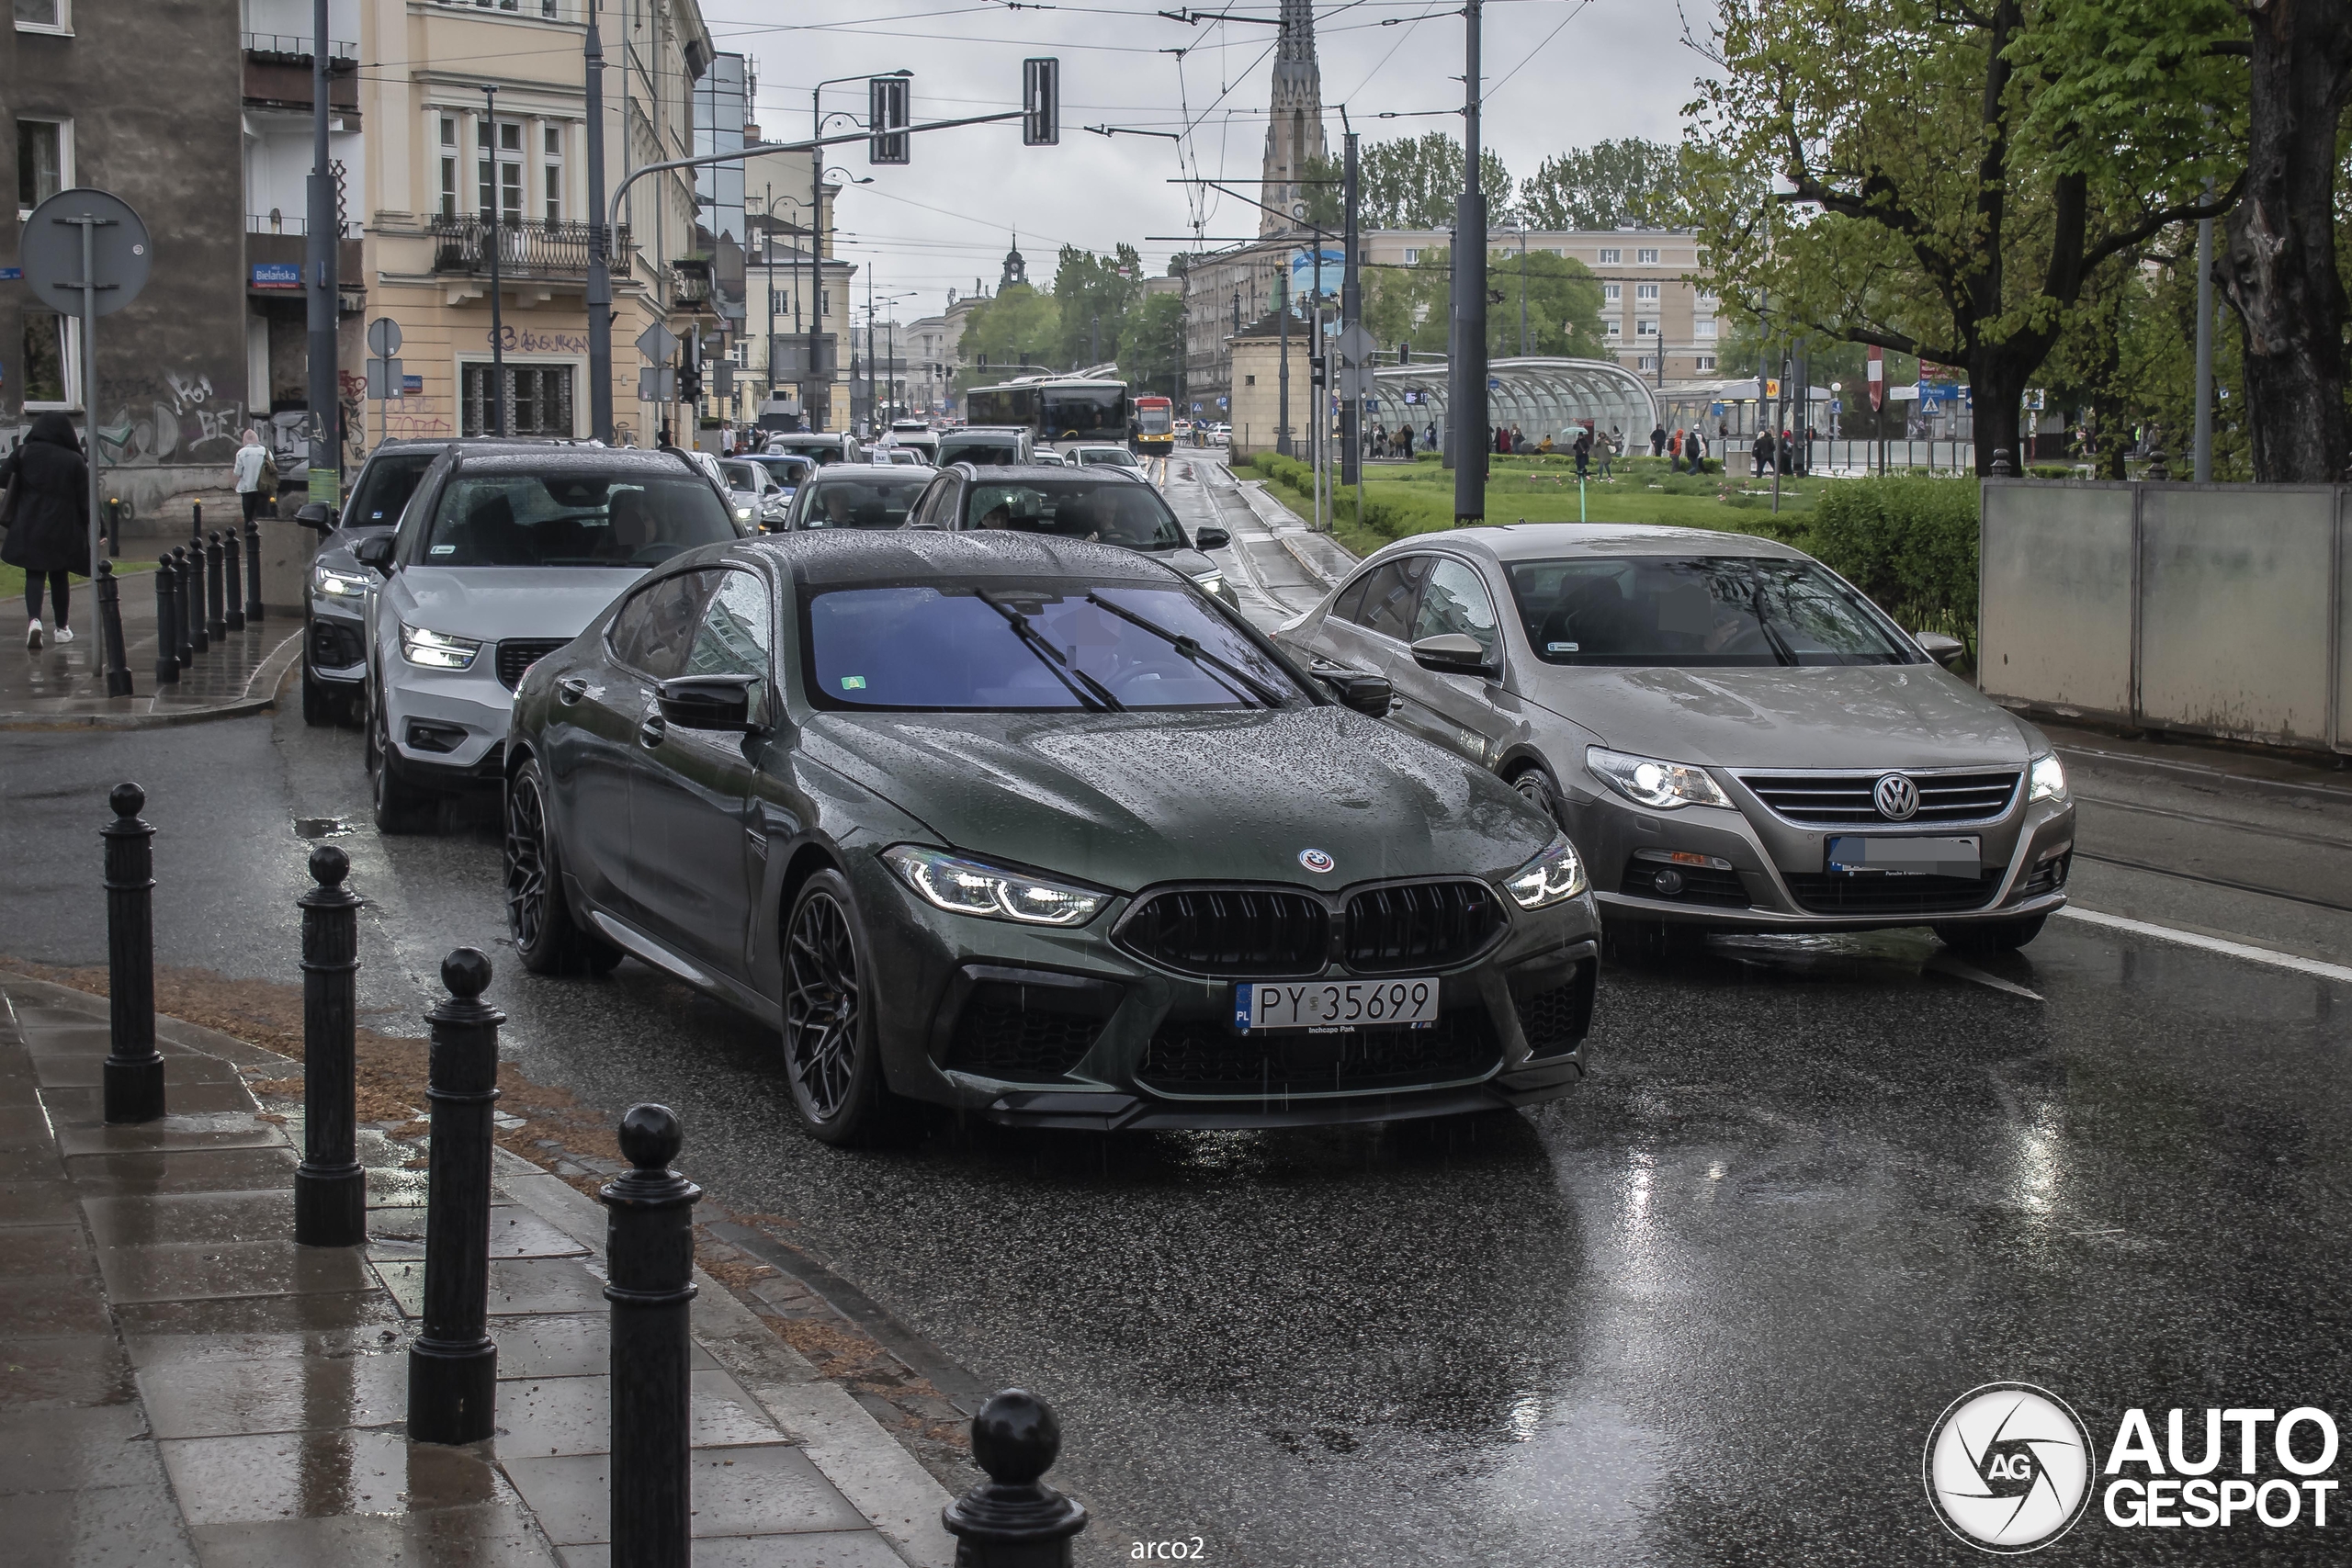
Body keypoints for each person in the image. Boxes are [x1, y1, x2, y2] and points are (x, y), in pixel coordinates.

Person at [2, 412, 91, 651]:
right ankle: (62, 629)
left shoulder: (24, 453)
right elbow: (85, 501)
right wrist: (96, 528)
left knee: (34, 573)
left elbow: (3, 477)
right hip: (62, 527)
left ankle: (34, 621)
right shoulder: (74, 460)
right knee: (59, 575)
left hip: (29, 524)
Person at [232, 428, 271, 530]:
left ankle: (249, 539)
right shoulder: (266, 451)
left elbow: (237, 472)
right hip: (263, 488)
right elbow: (272, 468)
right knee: (263, 517)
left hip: (247, 489)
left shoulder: (241, 453)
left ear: (244, 440)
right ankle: (263, 539)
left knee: (248, 517)